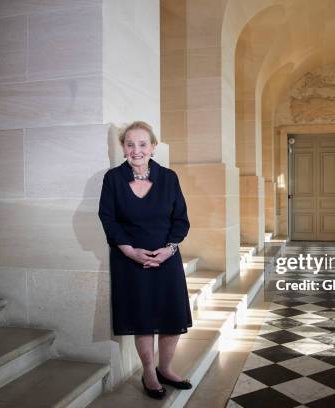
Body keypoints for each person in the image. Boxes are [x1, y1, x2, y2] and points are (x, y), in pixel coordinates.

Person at [98, 121, 193, 400]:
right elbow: (108, 218)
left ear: (153, 146)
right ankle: (149, 372)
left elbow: (181, 219)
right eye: (129, 144)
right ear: (123, 148)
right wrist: (129, 250)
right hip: (130, 260)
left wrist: (169, 249)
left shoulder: (169, 178)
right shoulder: (113, 178)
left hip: (167, 258)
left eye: (142, 144)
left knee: (171, 318)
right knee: (142, 319)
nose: (136, 150)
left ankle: (166, 369)